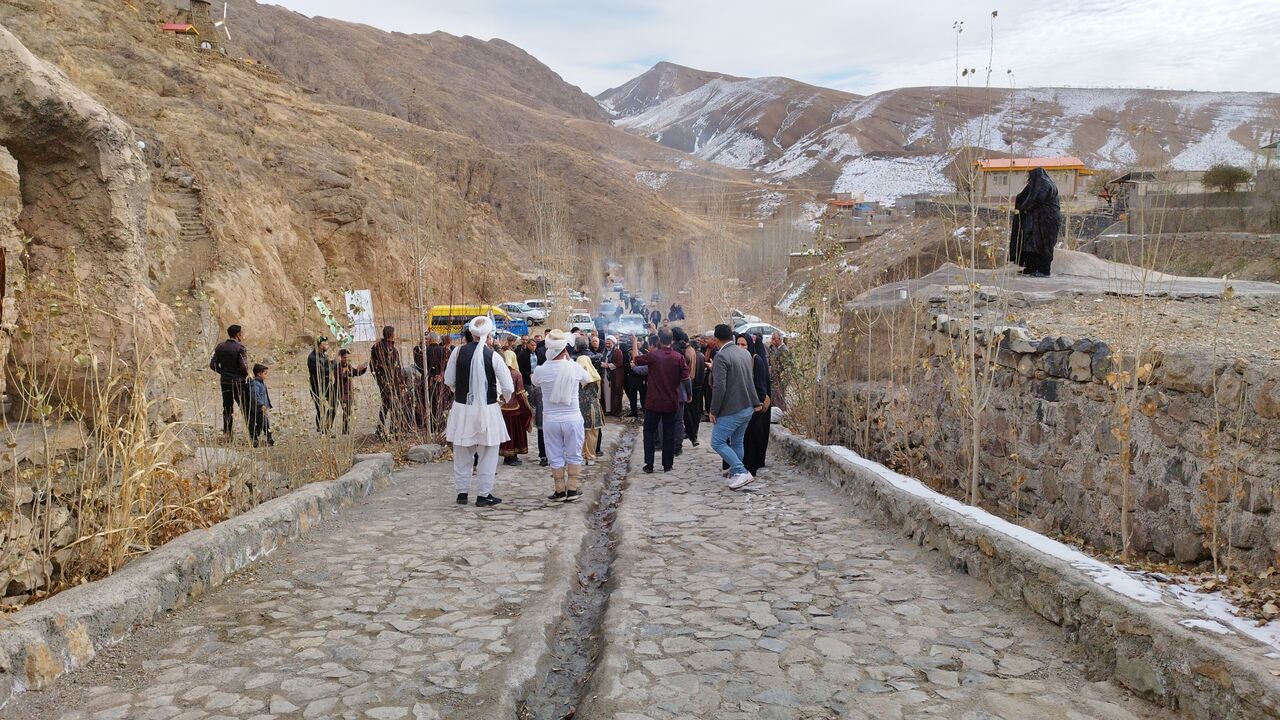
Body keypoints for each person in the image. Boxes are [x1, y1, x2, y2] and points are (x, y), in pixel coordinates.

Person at [445, 316, 514, 507]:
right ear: (488, 335)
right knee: (488, 454)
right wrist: (502, 399)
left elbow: (449, 379)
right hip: (488, 409)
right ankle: (484, 494)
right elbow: (508, 386)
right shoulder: (493, 356)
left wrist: (460, 393)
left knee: (462, 453)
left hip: (462, 409)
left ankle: (462, 492)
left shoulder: (457, 352)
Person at [532, 329, 593, 503]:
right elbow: (587, 378)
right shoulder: (573, 367)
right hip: (572, 418)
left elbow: (535, 382)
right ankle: (572, 489)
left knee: (555, 454)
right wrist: (570, 361)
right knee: (574, 454)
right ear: (564, 349)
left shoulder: (541, 370)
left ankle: (559, 490)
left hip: (551, 419)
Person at [709, 324, 761, 490]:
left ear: (716, 340)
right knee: (737, 442)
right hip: (748, 406)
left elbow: (720, 387)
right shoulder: (745, 353)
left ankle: (741, 471)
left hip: (732, 408)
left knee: (717, 442)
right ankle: (736, 474)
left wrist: (713, 410)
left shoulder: (721, 357)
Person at [634, 328, 690, 474]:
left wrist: (634, 343)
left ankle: (649, 463)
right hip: (671, 401)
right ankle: (667, 464)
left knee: (649, 432)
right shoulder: (678, 357)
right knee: (669, 432)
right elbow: (686, 378)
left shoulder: (653, 356)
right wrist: (689, 394)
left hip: (653, 402)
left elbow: (636, 360)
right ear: (671, 340)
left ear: (659, 339)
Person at [1009, 167, 1063, 278]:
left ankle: (1044, 270)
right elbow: (1023, 196)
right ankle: (1031, 267)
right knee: (1031, 243)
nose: (1029, 178)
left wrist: (1022, 208)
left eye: (1030, 175)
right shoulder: (1035, 184)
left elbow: (1035, 199)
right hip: (1037, 221)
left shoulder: (1044, 184)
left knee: (1044, 244)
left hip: (1047, 220)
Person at [209, 324, 250, 439]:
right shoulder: (240, 348)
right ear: (237, 334)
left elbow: (212, 365)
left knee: (227, 408)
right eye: (241, 333)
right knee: (245, 407)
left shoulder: (220, 347)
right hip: (238, 382)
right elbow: (243, 367)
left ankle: (228, 434)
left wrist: (223, 372)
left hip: (225, 382)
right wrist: (246, 375)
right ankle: (251, 433)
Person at [742, 334, 773, 476]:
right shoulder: (742, 360)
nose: (740, 347)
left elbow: (761, 386)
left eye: (744, 345)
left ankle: (752, 466)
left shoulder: (757, 360)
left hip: (755, 407)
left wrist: (758, 403)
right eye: (738, 344)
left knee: (754, 435)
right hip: (744, 405)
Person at [499, 350, 534, 466]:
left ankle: (505, 455)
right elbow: (520, 392)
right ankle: (512, 456)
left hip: (501, 408)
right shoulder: (516, 374)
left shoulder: (499, 372)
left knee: (505, 431)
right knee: (514, 432)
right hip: (514, 408)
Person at [371, 326, 406, 439]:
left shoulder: (375, 347)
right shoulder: (391, 350)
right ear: (391, 334)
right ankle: (393, 430)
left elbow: (372, 366)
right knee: (393, 405)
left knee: (386, 405)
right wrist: (400, 382)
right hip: (391, 381)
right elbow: (397, 368)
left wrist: (378, 379)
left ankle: (381, 429)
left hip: (382, 381)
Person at [333, 349, 369, 435]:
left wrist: (362, 369)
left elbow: (355, 373)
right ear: (341, 357)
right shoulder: (337, 367)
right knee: (345, 410)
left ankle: (345, 430)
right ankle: (343, 430)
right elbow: (342, 377)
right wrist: (350, 373)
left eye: (347, 357)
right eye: (344, 357)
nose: (346, 359)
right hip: (341, 392)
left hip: (349, 392)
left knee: (348, 411)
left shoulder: (348, 366)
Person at [307, 336, 337, 434]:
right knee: (321, 409)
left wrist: (334, 362)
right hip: (317, 387)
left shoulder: (323, 355)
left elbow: (329, 365)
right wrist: (333, 364)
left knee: (334, 404)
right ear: (320, 345)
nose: (327, 346)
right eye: (325, 344)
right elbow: (322, 370)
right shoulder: (312, 357)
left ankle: (327, 427)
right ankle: (321, 428)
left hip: (327, 385)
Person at [578, 355, 604, 465]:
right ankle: (590, 455)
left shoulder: (575, 376)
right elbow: (598, 394)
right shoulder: (595, 375)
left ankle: (581, 455)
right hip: (593, 406)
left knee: (579, 432)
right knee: (592, 433)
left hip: (578, 407)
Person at [683, 334, 706, 447]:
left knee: (689, 410)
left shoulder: (693, 357)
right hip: (699, 386)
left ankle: (691, 432)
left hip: (692, 385)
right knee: (696, 410)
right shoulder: (701, 356)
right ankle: (694, 433)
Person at [247, 363, 274, 448]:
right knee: (262, 424)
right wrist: (261, 404)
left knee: (263, 424)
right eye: (265, 373)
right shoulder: (255, 384)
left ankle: (267, 439)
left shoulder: (261, 383)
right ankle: (257, 440)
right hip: (257, 409)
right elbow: (255, 395)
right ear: (259, 374)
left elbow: (265, 395)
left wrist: (268, 404)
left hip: (262, 408)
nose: (266, 375)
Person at [601, 335, 625, 417]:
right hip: (605, 375)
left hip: (615, 375)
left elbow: (619, 363)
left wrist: (608, 365)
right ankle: (607, 410)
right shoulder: (603, 351)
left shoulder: (617, 351)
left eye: (609, 343)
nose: (607, 345)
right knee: (606, 392)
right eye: (606, 343)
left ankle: (615, 411)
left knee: (616, 393)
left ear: (613, 343)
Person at [768, 332, 789, 412]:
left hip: (780, 381)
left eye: (774, 339)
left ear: (779, 339)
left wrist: (783, 382)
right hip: (775, 380)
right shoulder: (775, 349)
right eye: (772, 339)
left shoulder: (784, 351)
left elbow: (786, 368)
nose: (772, 341)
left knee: (779, 400)